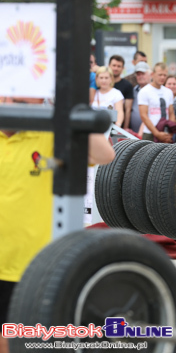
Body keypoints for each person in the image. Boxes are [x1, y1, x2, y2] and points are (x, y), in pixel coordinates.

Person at [0, 130, 114, 353]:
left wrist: (68, 103)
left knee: (11, 342)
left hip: (28, 268)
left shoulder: (49, 133)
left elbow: (105, 154)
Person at [138, 63, 175, 143]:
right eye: (160, 75)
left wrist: (171, 133)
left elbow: (171, 113)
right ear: (152, 74)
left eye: (165, 75)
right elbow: (143, 115)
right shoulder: (144, 91)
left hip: (166, 133)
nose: (162, 77)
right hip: (150, 133)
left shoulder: (168, 92)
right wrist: (157, 133)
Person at [108, 55, 134, 129]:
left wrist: (125, 128)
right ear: (109, 66)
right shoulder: (103, 84)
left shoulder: (127, 85)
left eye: (119, 66)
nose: (116, 68)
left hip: (119, 126)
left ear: (123, 68)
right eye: (114, 65)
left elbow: (128, 109)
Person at [129, 62, 151, 134]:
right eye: (138, 74)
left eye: (143, 74)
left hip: (149, 132)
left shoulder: (153, 91)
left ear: (150, 74)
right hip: (133, 133)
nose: (140, 76)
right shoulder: (133, 91)